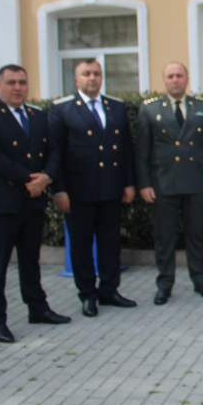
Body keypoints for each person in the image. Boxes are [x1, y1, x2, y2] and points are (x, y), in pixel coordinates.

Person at [0, 65, 70, 343]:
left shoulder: (37, 115)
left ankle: (38, 308)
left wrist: (47, 177)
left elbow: (53, 151)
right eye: (11, 82)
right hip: (3, 203)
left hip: (32, 202)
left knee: (30, 260)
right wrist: (30, 180)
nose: (17, 88)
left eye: (22, 82)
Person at [49, 59, 136, 317]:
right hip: (78, 191)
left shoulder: (116, 107)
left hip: (111, 186)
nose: (92, 78)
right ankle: (88, 294)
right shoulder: (62, 109)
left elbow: (126, 148)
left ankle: (109, 289)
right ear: (76, 80)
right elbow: (55, 153)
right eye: (86, 74)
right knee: (81, 245)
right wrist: (59, 190)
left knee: (110, 241)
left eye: (96, 73)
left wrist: (129, 182)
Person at [135, 63, 203, 305]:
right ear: (164, 80)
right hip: (163, 183)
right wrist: (144, 184)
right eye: (170, 76)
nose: (175, 80)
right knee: (164, 238)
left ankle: (200, 280)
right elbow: (142, 151)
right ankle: (164, 284)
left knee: (196, 235)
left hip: (196, 181)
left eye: (179, 76)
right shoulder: (149, 109)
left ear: (186, 79)